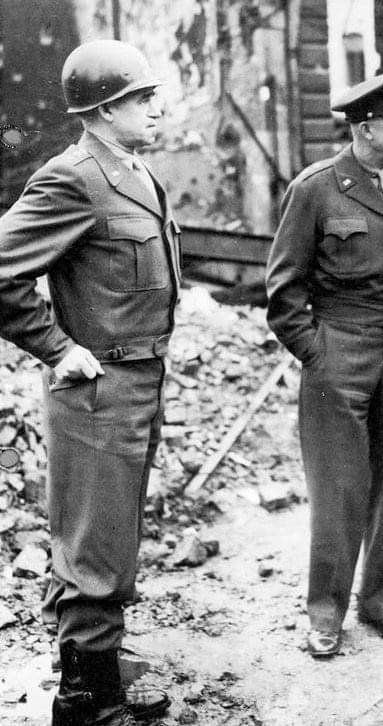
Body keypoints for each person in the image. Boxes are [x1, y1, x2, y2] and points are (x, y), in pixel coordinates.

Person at [0, 40, 180, 724]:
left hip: (140, 381)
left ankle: (99, 667)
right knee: (93, 544)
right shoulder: (71, 178)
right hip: (98, 390)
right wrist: (56, 347)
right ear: (104, 110)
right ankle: (85, 701)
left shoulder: (134, 171)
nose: (157, 108)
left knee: (113, 535)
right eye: (142, 98)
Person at [266, 66, 383, 658]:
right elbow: (284, 292)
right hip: (339, 348)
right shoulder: (316, 189)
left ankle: (381, 601)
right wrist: (318, 355)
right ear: (366, 128)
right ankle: (327, 610)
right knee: (339, 488)